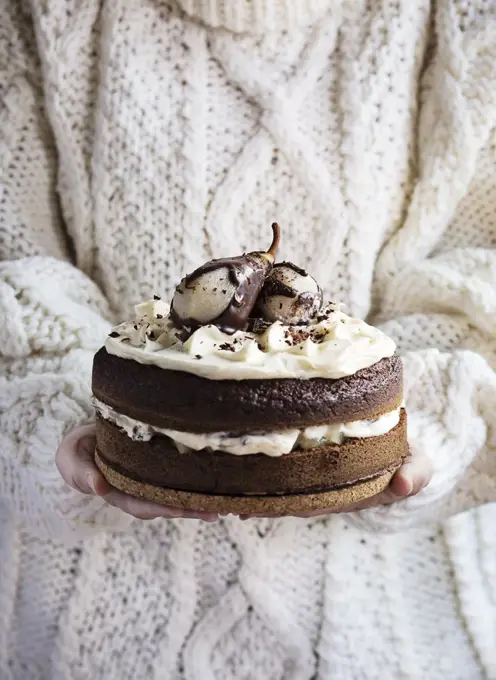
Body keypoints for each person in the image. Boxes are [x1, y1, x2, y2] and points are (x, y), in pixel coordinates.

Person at [1, 0, 496, 678]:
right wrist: (65, 428)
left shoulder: (465, 25)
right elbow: (15, 282)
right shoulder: (36, 18)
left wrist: (415, 424)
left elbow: (481, 287)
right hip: (89, 641)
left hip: (394, 633)